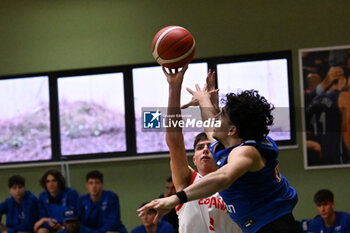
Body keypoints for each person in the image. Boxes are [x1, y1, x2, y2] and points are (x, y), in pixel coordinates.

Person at [138, 65, 298, 233]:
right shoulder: (228, 145)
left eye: (221, 115)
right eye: (199, 148)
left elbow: (223, 177)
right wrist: (200, 97)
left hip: (273, 226)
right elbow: (200, 129)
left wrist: (175, 199)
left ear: (232, 130)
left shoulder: (247, 152)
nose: (216, 117)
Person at [149, 65, 240, 233]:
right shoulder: (187, 180)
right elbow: (174, 142)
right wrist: (174, 86)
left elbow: (223, 139)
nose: (205, 150)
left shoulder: (233, 176)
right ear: (194, 159)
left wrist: (211, 105)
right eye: (199, 148)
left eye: (208, 147)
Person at [306, 66, 349, 165]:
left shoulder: (313, 101)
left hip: (317, 158)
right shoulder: (343, 98)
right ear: (342, 80)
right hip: (338, 157)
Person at [34, 168, 79, 233]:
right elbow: (42, 217)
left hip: (67, 227)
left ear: (59, 182)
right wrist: (49, 222)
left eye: (54, 181)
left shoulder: (70, 194)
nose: (51, 184)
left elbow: (73, 216)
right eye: (48, 181)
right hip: (51, 227)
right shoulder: (42, 196)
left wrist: (61, 226)